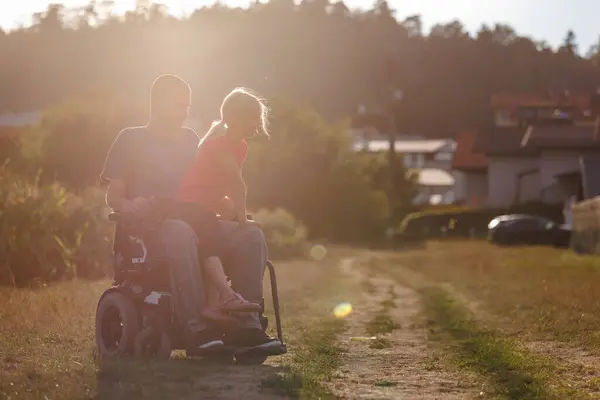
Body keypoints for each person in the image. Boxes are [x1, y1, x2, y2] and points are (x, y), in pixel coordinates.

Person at [101, 74, 280, 352]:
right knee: (180, 230)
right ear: (158, 103)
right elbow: (113, 197)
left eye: (188, 106)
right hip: (152, 227)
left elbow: (203, 186)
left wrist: (229, 207)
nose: (186, 112)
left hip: (199, 218)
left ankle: (247, 327)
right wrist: (129, 205)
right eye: (179, 105)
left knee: (250, 235)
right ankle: (197, 328)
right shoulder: (130, 138)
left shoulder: (190, 139)